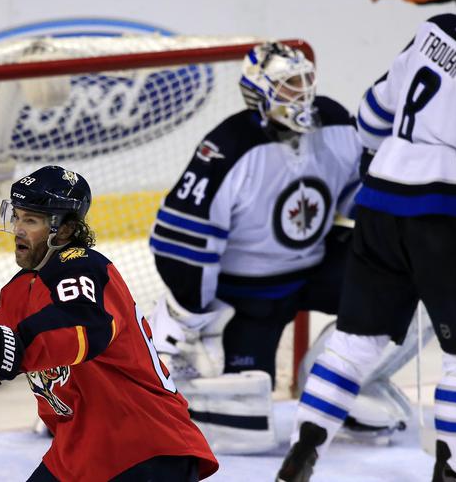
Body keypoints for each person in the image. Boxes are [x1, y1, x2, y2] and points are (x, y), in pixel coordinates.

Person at [147, 41, 415, 454]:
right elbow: (180, 243)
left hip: (315, 268)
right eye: (290, 84)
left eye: (307, 80)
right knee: (247, 431)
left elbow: (359, 198)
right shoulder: (228, 147)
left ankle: (331, 380)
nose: (303, 92)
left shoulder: (336, 123)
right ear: (260, 92)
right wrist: (194, 310)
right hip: (249, 297)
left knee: (413, 286)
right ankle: (163, 348)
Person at [0, 165, 219, 482]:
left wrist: (10, 347)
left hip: (142, 442)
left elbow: (82, 326)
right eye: (17, 216)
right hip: (81, 450)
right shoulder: (18, 290)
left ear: (65, 231)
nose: (18, 229)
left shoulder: (83, 268)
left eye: (32, 220)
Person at [276, 13, 456, 482]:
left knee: (353, 344)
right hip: (441, 215)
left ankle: (301, 453)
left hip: (380, 202)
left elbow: (372, 115)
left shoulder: (434, 30)